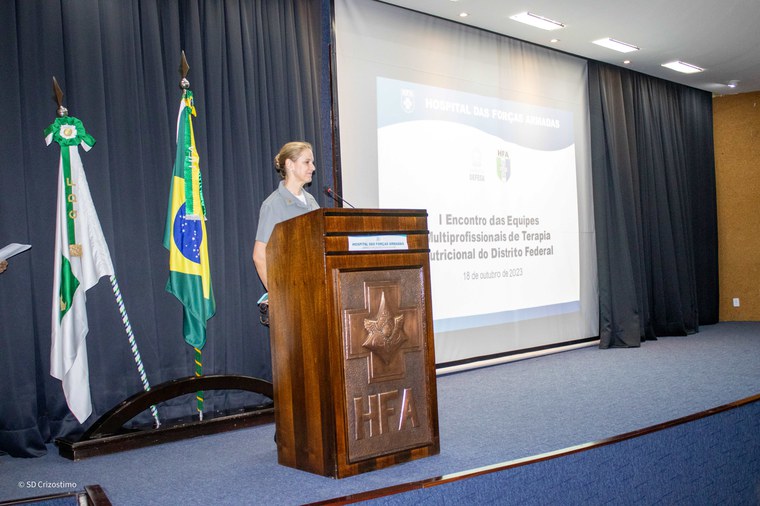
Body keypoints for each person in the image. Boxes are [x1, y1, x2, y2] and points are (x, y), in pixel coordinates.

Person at [252, 141, 320, 291]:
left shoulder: (311, 201)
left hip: (316, 288)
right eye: (307, 162)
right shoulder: (273, 205)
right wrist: (278, 296)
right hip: (292, 292)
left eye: (312, 162)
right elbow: (259, 256)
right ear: (290, 164)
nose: (313, 168)